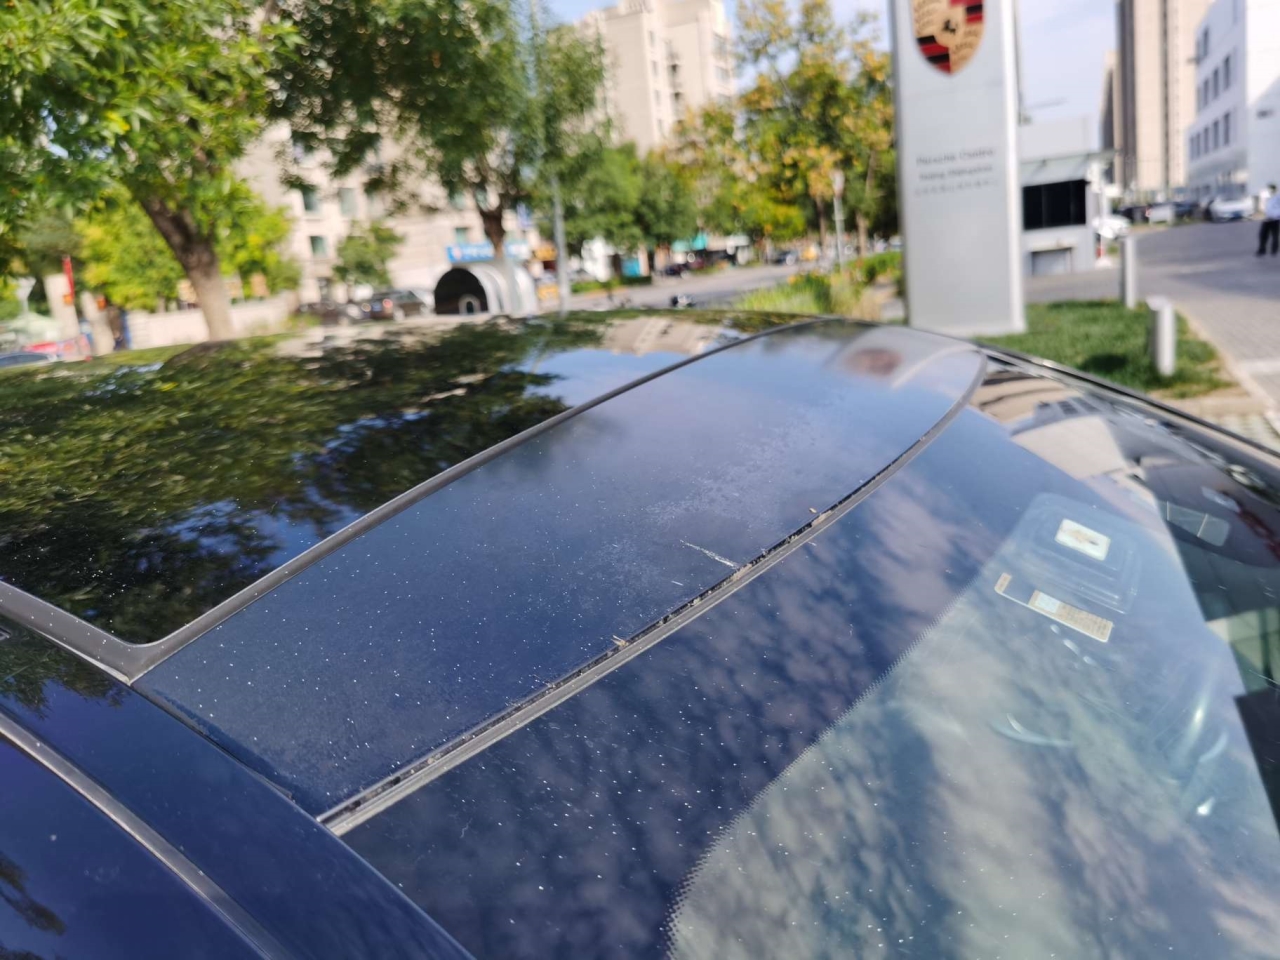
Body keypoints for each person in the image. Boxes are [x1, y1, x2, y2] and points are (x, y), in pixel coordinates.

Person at [1258, 184, 1280, 257]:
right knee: (1262, 235)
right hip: (1267, 219)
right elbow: (1264, 207)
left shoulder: (1278, 197)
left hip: (1275, 219)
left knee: (1275, 235)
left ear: (1275, 189)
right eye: (1269, 189)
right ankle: (1262, 250)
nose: (1270, 190)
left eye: (1272, 189)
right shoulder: (1267, 197)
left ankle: (1274, 250)